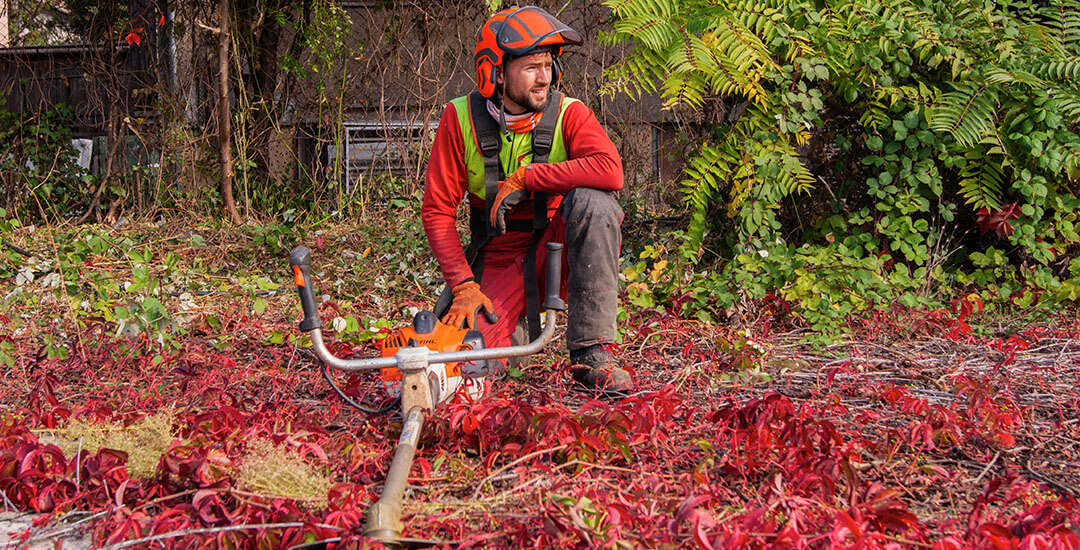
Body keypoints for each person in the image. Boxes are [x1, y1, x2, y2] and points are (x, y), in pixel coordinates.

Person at [422, 5, 630, 395]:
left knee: (595, 203)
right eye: (532, 67)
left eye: (548, 66)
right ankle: (507, 333)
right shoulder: (459, 119)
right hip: (497, 257)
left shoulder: (570, 113)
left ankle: (592, 355)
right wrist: (464, 285)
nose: (544, 78)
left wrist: (528, 178)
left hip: (556, 250)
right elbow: (437, 212)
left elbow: (610, 171)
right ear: (496, 73)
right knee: (465, 363)